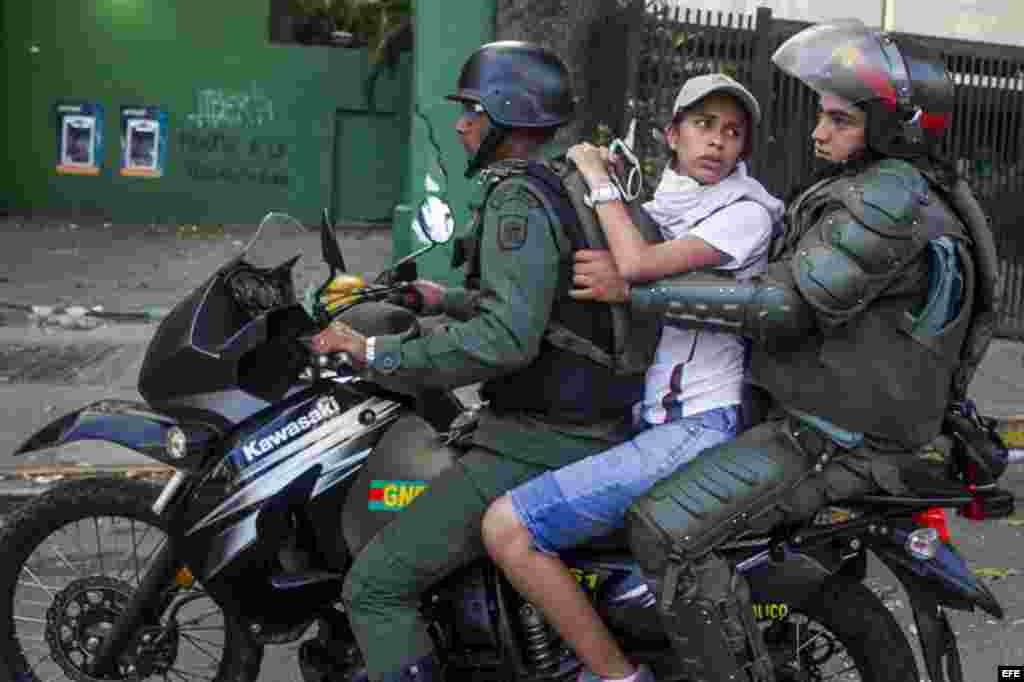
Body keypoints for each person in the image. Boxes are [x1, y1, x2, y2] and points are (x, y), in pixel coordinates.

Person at [569, 19, 998, 681]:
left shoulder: (889, 195)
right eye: (823, 116)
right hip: (839, 421)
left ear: (890, 127)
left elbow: (785, 305)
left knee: (666, 531)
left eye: (839, 119)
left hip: (834, 436)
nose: (819, 133)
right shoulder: (898, 187)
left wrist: (636, 293)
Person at [311, 41, 658, 682]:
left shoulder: (516, 200)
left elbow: (506, 340)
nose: (461, 124)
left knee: (375, 588)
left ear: (506, 113)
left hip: (541, 440)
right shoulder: (560, 185)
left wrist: (377, 351)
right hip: (580, 420)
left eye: (471, 110)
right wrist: (443, 299)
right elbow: (546, 304)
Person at [480, 73, 783, 682]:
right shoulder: (675, 201)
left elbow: (638, 262)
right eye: (703, 125)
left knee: (508, 528)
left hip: (699, 425)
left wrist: (597, 179)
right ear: (672, 135)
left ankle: (619, 678)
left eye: (732, 132)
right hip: (656, 421)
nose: (717, 141)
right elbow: (633, 234)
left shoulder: (746, 213)